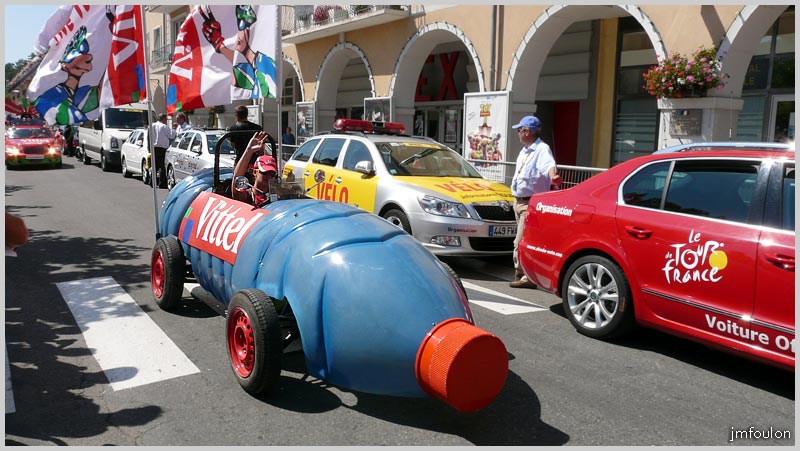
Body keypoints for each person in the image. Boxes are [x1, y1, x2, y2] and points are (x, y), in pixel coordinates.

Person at [509, 115, 561, 289]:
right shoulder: (525, 150)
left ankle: (525, 276)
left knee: (520, 241)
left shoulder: (541, 149)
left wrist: (553, 176)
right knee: (523, 239)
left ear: (527, 131)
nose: (518, 133)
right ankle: (524, 273)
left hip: (530, 204)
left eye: (519, 130)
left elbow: (549, 165)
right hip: (519, 201)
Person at [232, 131, 277, 206]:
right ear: (255, 172)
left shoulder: (278, 196)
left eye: (272, 174)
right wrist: (248, 151)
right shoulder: (249, 196)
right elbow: (236, 183)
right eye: (264, 172)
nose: (268, 177)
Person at [150, 113, 174, 188]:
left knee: (155, 166)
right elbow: (171, 135)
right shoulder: (164, 126)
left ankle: (152, 182)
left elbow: (149, 136)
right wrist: (174, 130)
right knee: (163, 167)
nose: (166, 121)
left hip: (154, 147)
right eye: (166, 119)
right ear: (163, 119)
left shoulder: (152, 125)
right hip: (163, 148)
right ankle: (162, 183)